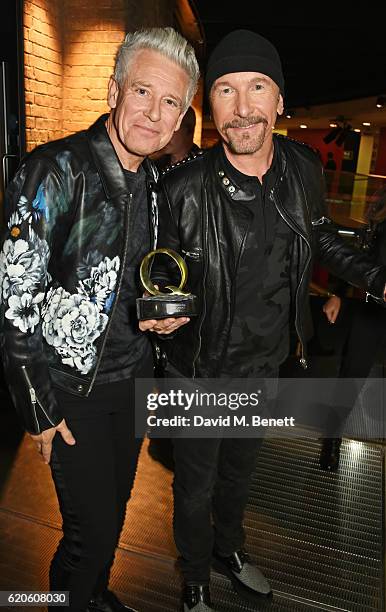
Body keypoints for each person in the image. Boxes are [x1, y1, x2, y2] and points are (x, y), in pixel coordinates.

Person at [139, 29, 386, 612]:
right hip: (198, 372)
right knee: (194, 487)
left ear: (279, 102)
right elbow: (160, 277)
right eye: (226, 90)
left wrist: (375, 277)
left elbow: (321, 236)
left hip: (266, 363)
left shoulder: (301, 169)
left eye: (257, 88)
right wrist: (163, 315)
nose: (243, 107)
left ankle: (231, 552)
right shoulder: (183, 187)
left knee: (239, 476)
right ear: (210, 105)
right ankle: (195, 579)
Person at [0, 27, 199, 612]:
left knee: (111, 519)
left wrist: (162, 315)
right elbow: (13, 300)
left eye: (170, 103)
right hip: (71, 389)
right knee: (88, 535)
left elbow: (136, 275)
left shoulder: (156, 184)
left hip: (132, 380)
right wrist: (38, 410)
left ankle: (93, 598)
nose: (153, 113)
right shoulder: (54, 172)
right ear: (113, 91)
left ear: (181, 117)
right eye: (143, 92)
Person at [320, 187, 386, 470]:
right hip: (372, 306)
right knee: (351, 375)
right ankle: (331, 441)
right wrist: (338, 293)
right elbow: (361, 255)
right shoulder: (382, 205)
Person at [152, 105, 201, 170]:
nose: (167, 134)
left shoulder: (200, 164)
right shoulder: (156, 163)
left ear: (189, 130)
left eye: (174, 129)